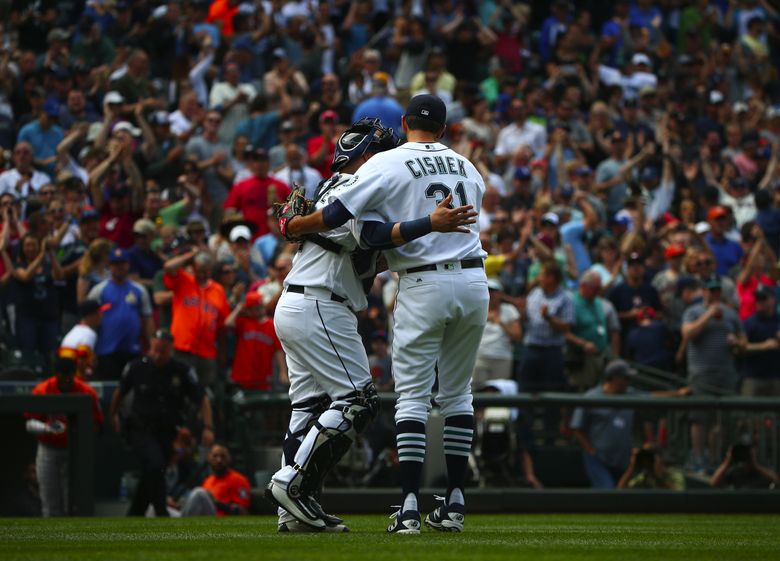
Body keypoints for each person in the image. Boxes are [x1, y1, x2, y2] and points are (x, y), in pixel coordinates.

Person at [278, 96, 485, 534]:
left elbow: (347, 222)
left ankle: (404, 505)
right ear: (445, 129)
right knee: (456, 396)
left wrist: (296, 226)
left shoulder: (381, 167)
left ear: (406, 122)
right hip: (471, 279)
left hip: (407, 285)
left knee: (393, 398)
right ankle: (454, 502)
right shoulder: (469, 167)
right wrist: (426, 225)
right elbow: (367, 234)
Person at [109, 330, 214, 517]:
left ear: (171, 350)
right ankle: (161, 511)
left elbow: (202, 399)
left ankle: (135, 514)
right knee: (155, 464)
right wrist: (113, 415)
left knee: (154, 471)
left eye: (162, 352)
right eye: (154, 351)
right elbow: (120, 391)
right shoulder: (137, 367)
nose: (157, 356)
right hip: (141, 428)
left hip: (168, 431)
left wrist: (207, 427)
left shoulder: (182, 370)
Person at [570, 360, 689, 489]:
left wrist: (678, 394)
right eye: (626, 378)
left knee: (623, 495)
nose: (629, 381)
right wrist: (591, 450)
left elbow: (652, 396)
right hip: (599, 459)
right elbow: (577, 428)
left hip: (622, 458)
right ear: (614, 378)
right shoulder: (591, 397)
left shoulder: (630, 394)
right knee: (607, 492)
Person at [24, 356, 104, 517]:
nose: (66, 380)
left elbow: (97, 425)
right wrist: (47, 428)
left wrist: (76, 432)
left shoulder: (86, 392)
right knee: (50, 501)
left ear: (74, 374)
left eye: (70, 376)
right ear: (56, 374)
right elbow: (29, 423)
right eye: (63, 376)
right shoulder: (43, 390)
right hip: (48, 449)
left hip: (74, 450)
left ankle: (72, 539)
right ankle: (53, 539)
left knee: (73, 502)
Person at [681, 276, 745, 471]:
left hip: (725, 372)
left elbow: (744, 342)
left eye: (717, 290)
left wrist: (736, 342)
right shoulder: (693, 311)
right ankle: (699, 457)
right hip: (701, 373)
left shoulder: (731, 314)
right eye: (710, 290)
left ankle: (716, 459)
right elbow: (687, 334)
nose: (714, 294)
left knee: (721, 420)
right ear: (704, 292)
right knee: (700, 418)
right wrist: (709, 315)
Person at [163, 250, 230, 388]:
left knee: (204, 392)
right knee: (179, 388)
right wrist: (190, 255)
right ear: (193, 268)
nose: (202, 274)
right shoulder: (184, 280)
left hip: (206, 352)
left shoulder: (218, 290)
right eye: (199, 270)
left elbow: (222, 325)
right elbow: (168, 267)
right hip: (182, 348)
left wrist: (222, 352)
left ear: (210, 271)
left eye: (205, 271)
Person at [88, 248, 154, 380]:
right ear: (110, 266)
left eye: (122, 263)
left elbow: (147, 319)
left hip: (132, 349)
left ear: (128, 265)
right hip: (106, 349)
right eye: (115, 263)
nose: (119, 267)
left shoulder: (139, 290)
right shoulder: (99, 290)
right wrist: (90, 349)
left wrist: (152, 346)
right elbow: (90, 321)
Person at [565, 271, 621, 391]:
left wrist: (614, 356)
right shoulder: (571, 302)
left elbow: (613, 331)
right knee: (582, 390)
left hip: (601, 356)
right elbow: (565, 333)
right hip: (581, 358)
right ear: (583, 286)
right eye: (595, 288)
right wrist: (583, 344)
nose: (598, 291)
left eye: (599, 288)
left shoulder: (599, 303)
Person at [225, 291, 286, 391]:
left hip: (262, 378)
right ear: (248, 310)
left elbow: (278, 350)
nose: (259, 310)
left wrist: (283, 371)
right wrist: (239, 308)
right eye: (255, 308)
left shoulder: (272, 325)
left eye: (260, 306)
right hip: (241, 377)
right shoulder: (243, 322)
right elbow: (228, 323)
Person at [472, 277, 522, 386]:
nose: (491, 294)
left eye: (494, 291)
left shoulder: (509, 310)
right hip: (480, 357)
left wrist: (501, 323)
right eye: (488, 290)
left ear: (500, 294)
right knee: (478, 392)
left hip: (502, 358)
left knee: (499, 393)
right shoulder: (477, 309)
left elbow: (517, 336)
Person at [181, 444, 250, 516]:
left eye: (223, 456)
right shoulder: (208, 480)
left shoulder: (239, 480)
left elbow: (244, 512)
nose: (219, 460)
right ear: (209, 458)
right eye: (215, 456)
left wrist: (216, 503)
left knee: (199, 492)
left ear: (229, 458)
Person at [736, 285, 780, 396]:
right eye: (757, 299)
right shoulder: (749, 323)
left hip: (776, 377)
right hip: (753, 377)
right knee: (750, 411)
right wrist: (763, 346)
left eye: (763, 298)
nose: (759, 302)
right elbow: (739, 349)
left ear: (773, 300)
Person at [58, 299, 110, 379]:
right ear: (90, 316)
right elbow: (81, 362)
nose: (101, 316)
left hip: (65, 376)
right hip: (74, 379)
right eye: (98, 313)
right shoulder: (89, 334)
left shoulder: (76, 330)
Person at [710, 436, 779, 489]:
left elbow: (776, 480)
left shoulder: (763, 469)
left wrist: (755, 466)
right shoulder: (736, 471)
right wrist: (728, 461)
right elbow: (714, 482)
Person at [616, 445, 685, 490]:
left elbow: (678, 497)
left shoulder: (673, 475)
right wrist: (631, 468)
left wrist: (657, 476)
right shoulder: (643, 478)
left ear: (661, 459)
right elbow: (620, 492)